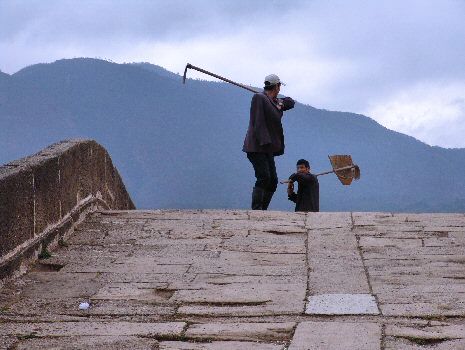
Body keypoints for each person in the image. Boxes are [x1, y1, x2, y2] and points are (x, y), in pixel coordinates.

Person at [243, 74, 295, 210]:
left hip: (267, 149)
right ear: (276, 86)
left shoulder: (274, 102)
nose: (279, 88)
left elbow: (291, 102)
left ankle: (263, 209)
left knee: (273, 181)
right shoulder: (259, 98)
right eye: (279, 86)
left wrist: (279, 102)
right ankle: (257, 210)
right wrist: (265, 141)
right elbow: (257, 121)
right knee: (264, 177)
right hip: (257, 146)